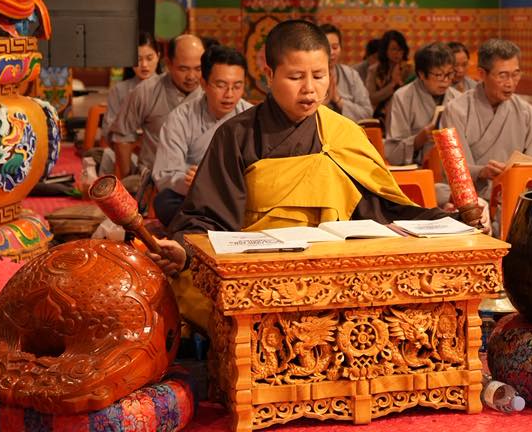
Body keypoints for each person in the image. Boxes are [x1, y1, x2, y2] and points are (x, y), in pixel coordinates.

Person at [152, 21, 448, 329]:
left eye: (319, 76)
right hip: (259, 279)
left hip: (337, 277)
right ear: (269, 75)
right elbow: (207, 216)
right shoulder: (237, 135)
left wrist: (451, 221)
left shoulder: (343, 134)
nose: (309, 88)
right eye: (295, 77)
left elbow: (383, 209)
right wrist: (184, 249)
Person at [151, 45, 252, 225]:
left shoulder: (251, 117)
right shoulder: (181, 117)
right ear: (204, 83)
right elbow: (165, 174)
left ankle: (205, 225)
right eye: (221, 85)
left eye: (237, 86)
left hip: (236, 196)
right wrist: (190, 181)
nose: (229, 94)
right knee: (165, 202)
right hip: (196, 196)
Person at [440, 38, 532, 199]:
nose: (510, 83)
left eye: (515, 74)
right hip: (472, 197)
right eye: (503, 75)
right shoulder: (456, 110)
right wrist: (482, 171)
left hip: (515, 195)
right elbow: (454, 169)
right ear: (482, 74)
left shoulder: (526, 112)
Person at [109, 34, 205, 177]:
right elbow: (122, 136)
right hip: (153, 176)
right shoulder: (146, 91)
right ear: (168, 64)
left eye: (198, 69)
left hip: (199, 176)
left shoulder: (211, 92)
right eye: (184, 69)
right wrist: (127, 176)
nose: (191, 76)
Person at [95, 31, 159, 175]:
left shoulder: (166, 88)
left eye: (149, 58)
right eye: (138, 59)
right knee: (107, 155)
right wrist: (132, 138)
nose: (144, 65)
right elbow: (108, 128)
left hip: (158, 153)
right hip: (126, 150)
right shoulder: (119, 90)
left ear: (158, 57)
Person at [385, 42, 459, 166]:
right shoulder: (402, 97)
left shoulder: (457, 98)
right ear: (421, 74)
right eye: (439, 75)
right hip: (417, 169)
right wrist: (419, 139)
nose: (446, 81)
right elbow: (392, 153)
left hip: (451, 168)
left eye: (449, 74)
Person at [319, 23, 372, 122]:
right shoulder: (308, 76)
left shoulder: (351, 75)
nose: (331, 52)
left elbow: (367, 113)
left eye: (335, 47)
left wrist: (338, 100)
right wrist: (323, 103)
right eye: (326, 48)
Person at [366, 30, 414, 128]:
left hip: (404, 115)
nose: (398, 53)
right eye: (394, 49)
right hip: (377, 116)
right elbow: (371, 98)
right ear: (385, 50)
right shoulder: (374, 70)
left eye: (400, 49)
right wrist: (392, 84)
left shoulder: (410, 69)